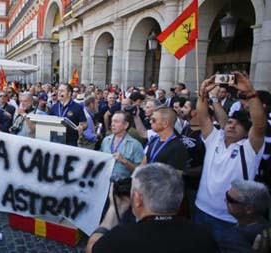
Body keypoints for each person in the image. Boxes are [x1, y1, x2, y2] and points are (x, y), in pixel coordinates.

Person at [86, 163, 219, 253]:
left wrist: (114, 210)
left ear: (137, 199)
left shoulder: (119, 239)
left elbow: (92, 247)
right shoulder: (205, 237)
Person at [195, 72, 266, 240]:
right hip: (200, 209)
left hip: (229, 219)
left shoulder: (249, 147)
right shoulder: (214, 139)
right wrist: (203, 93)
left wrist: (250, 92)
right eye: (229, 122)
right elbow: (203, 116)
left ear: (247, 131)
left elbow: (259, 125)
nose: (232, 126)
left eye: (239, 124)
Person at [219, 179, 271, 252]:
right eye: (227, 194)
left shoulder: (233, 240)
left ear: (248, 209)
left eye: (230, 199)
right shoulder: (266, 225)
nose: (225, 200)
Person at [101, 111, 144, 180]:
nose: (112, 124)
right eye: (112, 121)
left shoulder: (135, 145)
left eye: (116, 121)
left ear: (126, 125)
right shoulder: (106, 140)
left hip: (122, 186)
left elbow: (141, 171)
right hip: (104, 182)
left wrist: (124, 161)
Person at [141, 106, 188, 171]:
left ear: (165, 123)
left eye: (154, 120)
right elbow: (142, 165)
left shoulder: (178, 147)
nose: (150, 122)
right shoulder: (154, 140)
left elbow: (175, 176)